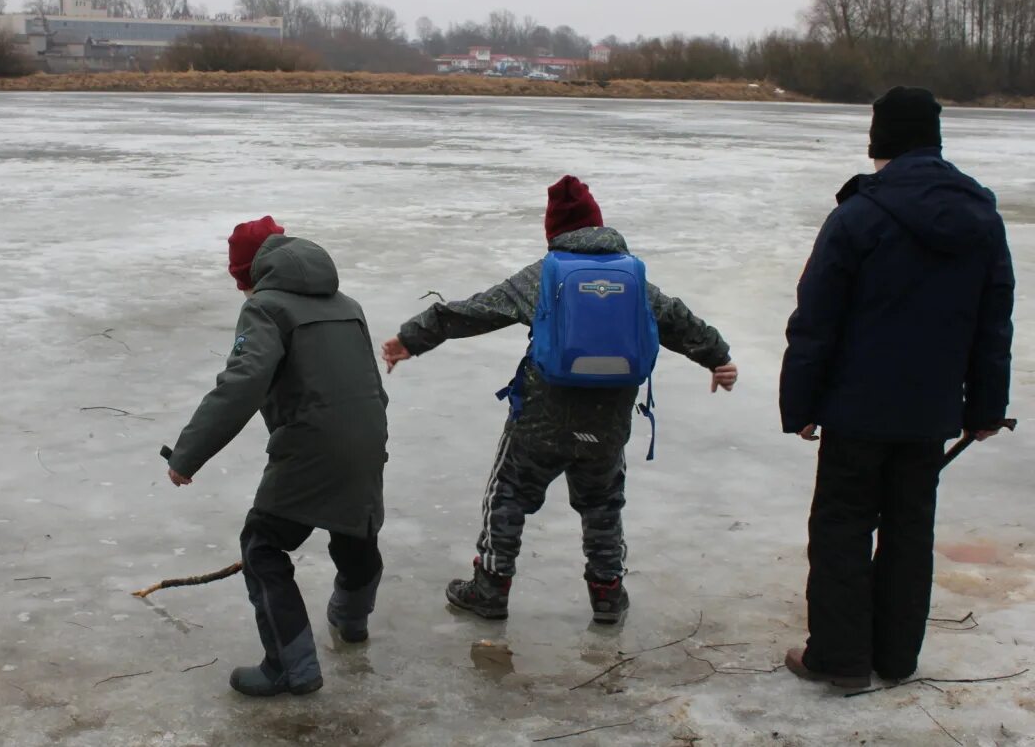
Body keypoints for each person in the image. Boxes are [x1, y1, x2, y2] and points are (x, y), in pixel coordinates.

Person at [382, 176, 738, 624]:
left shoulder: (545, 274)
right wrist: (718, 359)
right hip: (608, 422)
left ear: (554, 230)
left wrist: (410, 339)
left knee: (508, 494)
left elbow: (473, 311)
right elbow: (680, 320)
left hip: (540, 420)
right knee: (603, 505)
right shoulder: (632, 276)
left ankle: (490, 588)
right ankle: (608, 594)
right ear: (599, 223)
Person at [780, 86, 1014, 689]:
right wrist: (986, 407)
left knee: (842, 526)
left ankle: (840, 658)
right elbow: (993, 324)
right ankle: (895, 658)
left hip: (856, 410)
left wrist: (800, 403)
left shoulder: (858, 214)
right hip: (930, 413)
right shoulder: (981, 217)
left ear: (880, 142)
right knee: (910, 529)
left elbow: (816, 318)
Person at [164, 216, 389, 697]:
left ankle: (291, 667)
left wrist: (188, 454)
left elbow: (243, 384)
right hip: (369, 437)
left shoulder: (266, 309)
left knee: (262, 544)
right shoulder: (348, 305)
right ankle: (351, 622)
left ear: (248, 274)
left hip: (312, 444)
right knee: (354, 528)